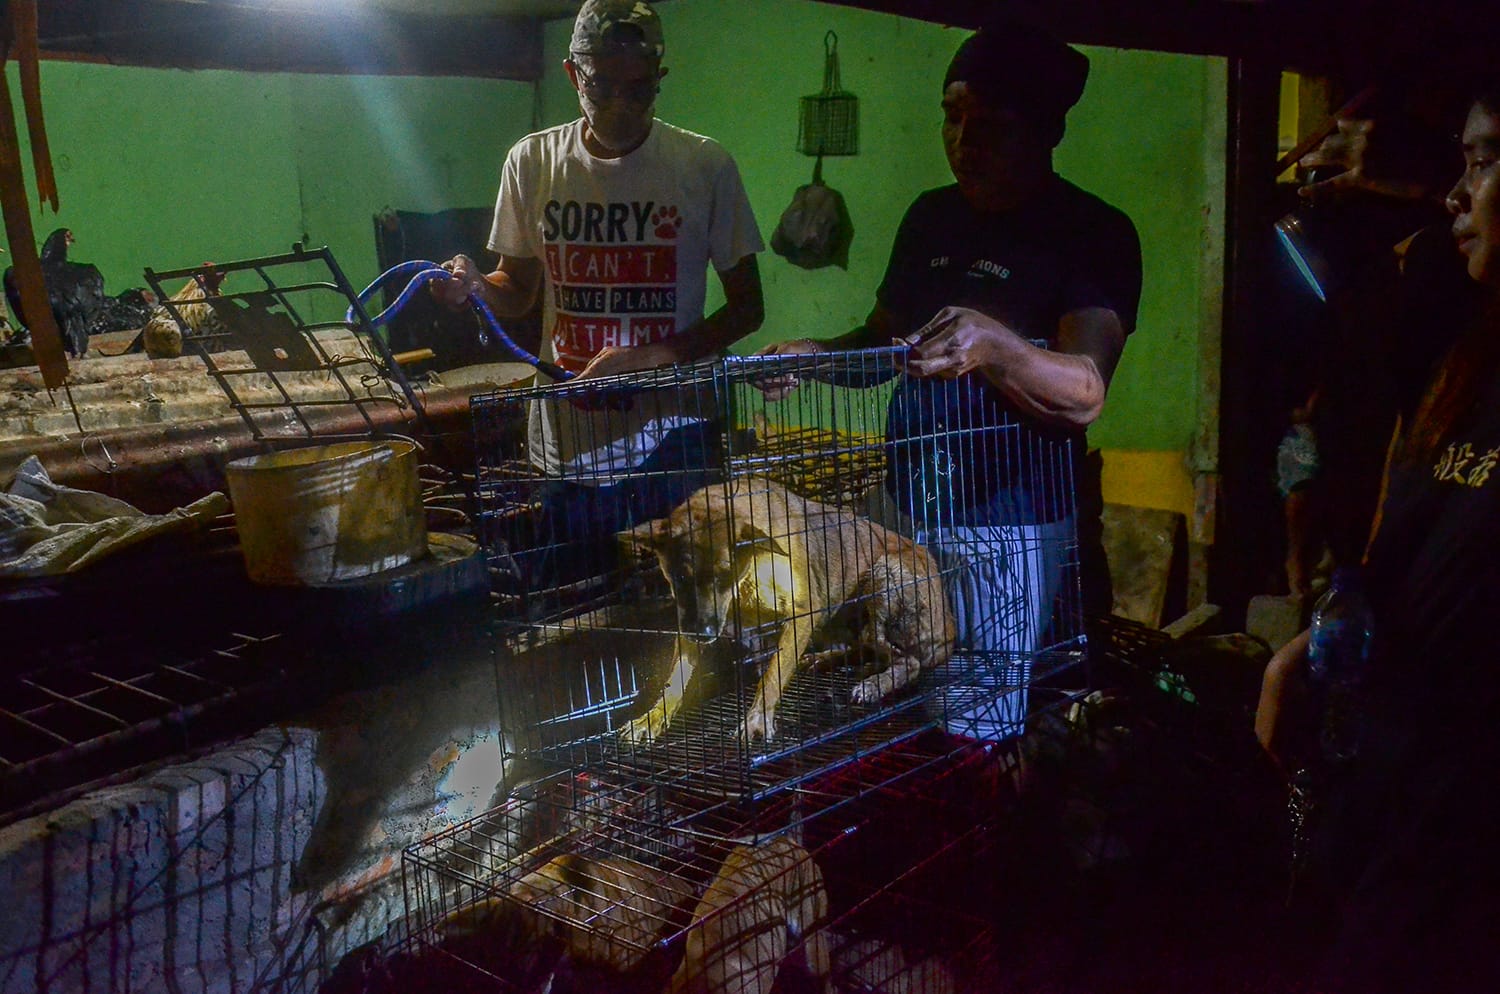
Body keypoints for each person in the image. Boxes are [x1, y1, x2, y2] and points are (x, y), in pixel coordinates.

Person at [758, 21, 1141, 662]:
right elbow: (882, 347)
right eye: (952, 118)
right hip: (907, 504)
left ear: (1046, 130)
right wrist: (814, 356)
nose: (964, 143)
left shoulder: (1090, 231)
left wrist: (996, 345)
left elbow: (1084, 392)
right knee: (891, 694)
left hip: (1005, 526)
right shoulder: (931, 217)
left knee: (973, 712)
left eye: (989, 124)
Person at [1256, 84, 1500, 993]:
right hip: (1396, 801)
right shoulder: (1469, 364)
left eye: (1482, 163)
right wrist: (1323, 627)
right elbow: (1417, 535)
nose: (1455, 195)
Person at [432, 0, 764, 598]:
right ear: (571, 74)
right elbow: (518, 289)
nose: (619, 105)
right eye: (602, 85)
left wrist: (650, 357)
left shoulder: (702, 165)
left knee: (684, 615)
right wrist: (478, 287)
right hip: (569, 444)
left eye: (639, 90)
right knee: (576, 618)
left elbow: (747, 308)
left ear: (659, 79)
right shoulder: (533, 162)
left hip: (672, 440)